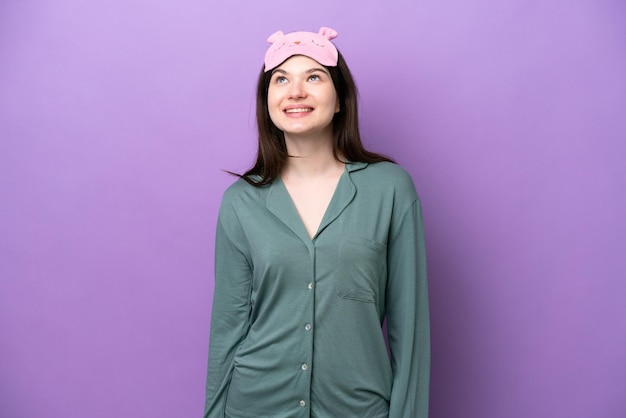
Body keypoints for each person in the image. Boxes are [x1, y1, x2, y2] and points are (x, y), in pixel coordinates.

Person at [203, 27, 430, 418]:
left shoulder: (390, 190)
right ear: (267, 101)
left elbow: (410, 331)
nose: (295, 92)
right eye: (281, 79)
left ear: (340, 99)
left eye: (313, 77)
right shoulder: (240, 203)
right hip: (255, 406)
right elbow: (228, 327)